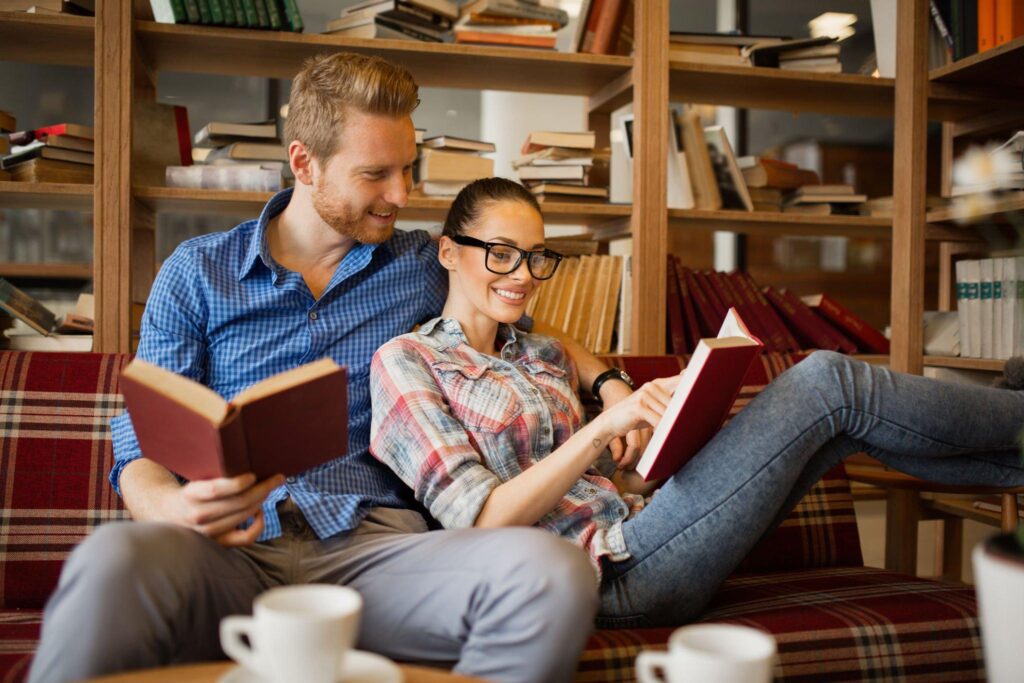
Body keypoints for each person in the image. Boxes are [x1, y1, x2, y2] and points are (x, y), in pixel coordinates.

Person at [26, 55, 649, 683]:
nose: (402, 195)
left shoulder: (422, 263)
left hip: (380, 554)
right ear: (304, 163)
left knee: (552, 572)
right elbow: (142, 431)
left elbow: (523, 320)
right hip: (227, 553)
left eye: (409, 169)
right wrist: (169, 508)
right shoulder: (198, 272)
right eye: (376, 174)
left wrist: (608, 382)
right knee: (112, 560)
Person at [370, 177, 1024, 628]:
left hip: (649, 521)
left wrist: (647, 436)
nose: (522, 276)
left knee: (838, 431)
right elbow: (479, 521)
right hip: (609, 574)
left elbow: (613, 474)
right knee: (825, 379)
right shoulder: (406, 362)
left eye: (538, 258)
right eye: (502, 254)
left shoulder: (538, 351)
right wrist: (601, 432)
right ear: (449, 252)